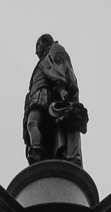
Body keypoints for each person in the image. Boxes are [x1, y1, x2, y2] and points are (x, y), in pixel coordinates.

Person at [23, 34, 88, 167]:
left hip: (43, 94)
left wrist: (62, 88)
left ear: (45, 43)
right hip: (36, 96)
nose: (36, 50)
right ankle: (38, 151)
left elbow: (61, 68)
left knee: (32, 123)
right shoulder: (43, 61)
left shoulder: (53, 51)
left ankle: (37, 150)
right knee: (34, 124)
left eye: (38, 45)